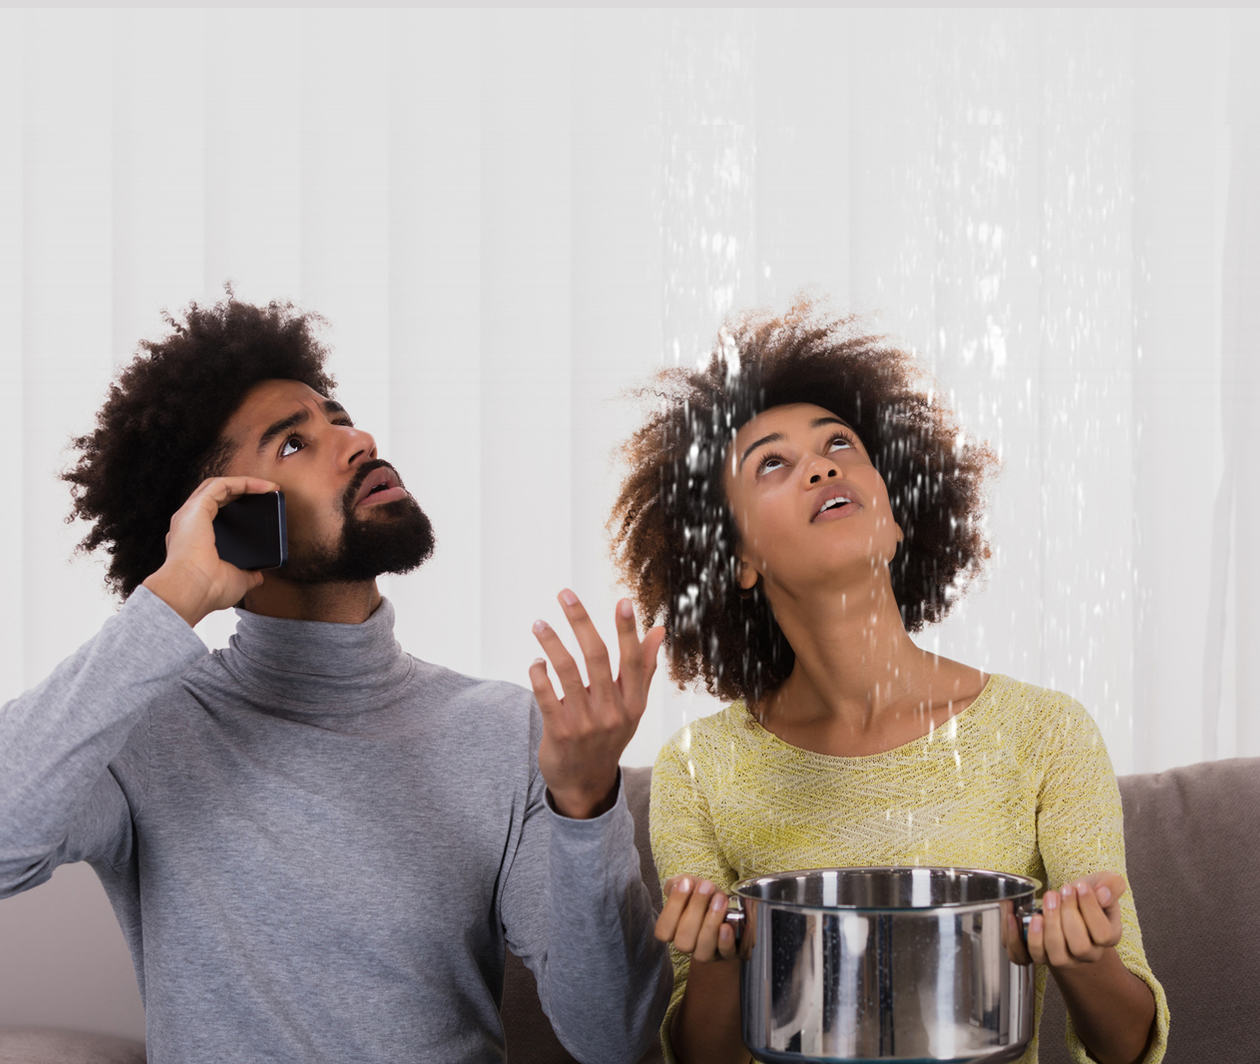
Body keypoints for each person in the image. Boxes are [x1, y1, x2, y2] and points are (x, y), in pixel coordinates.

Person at [0, 294, 671, 1064]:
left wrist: (586, 808)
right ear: (222, 521)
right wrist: (174, 596)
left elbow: (612, 1038)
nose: (358, 441)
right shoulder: (150, 732)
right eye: (293, 444)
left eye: (337, 416)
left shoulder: (506, 730)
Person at [609, 301, 1169, 1064]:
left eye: (841, 444)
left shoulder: (1047, 732)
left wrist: (1085, 957)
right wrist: (714, 958)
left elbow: (1129, 1045)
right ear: (734, 557)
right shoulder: (699, 769)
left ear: (898, 519)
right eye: (772, 462)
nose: (823, 463)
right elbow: (702, 1057)